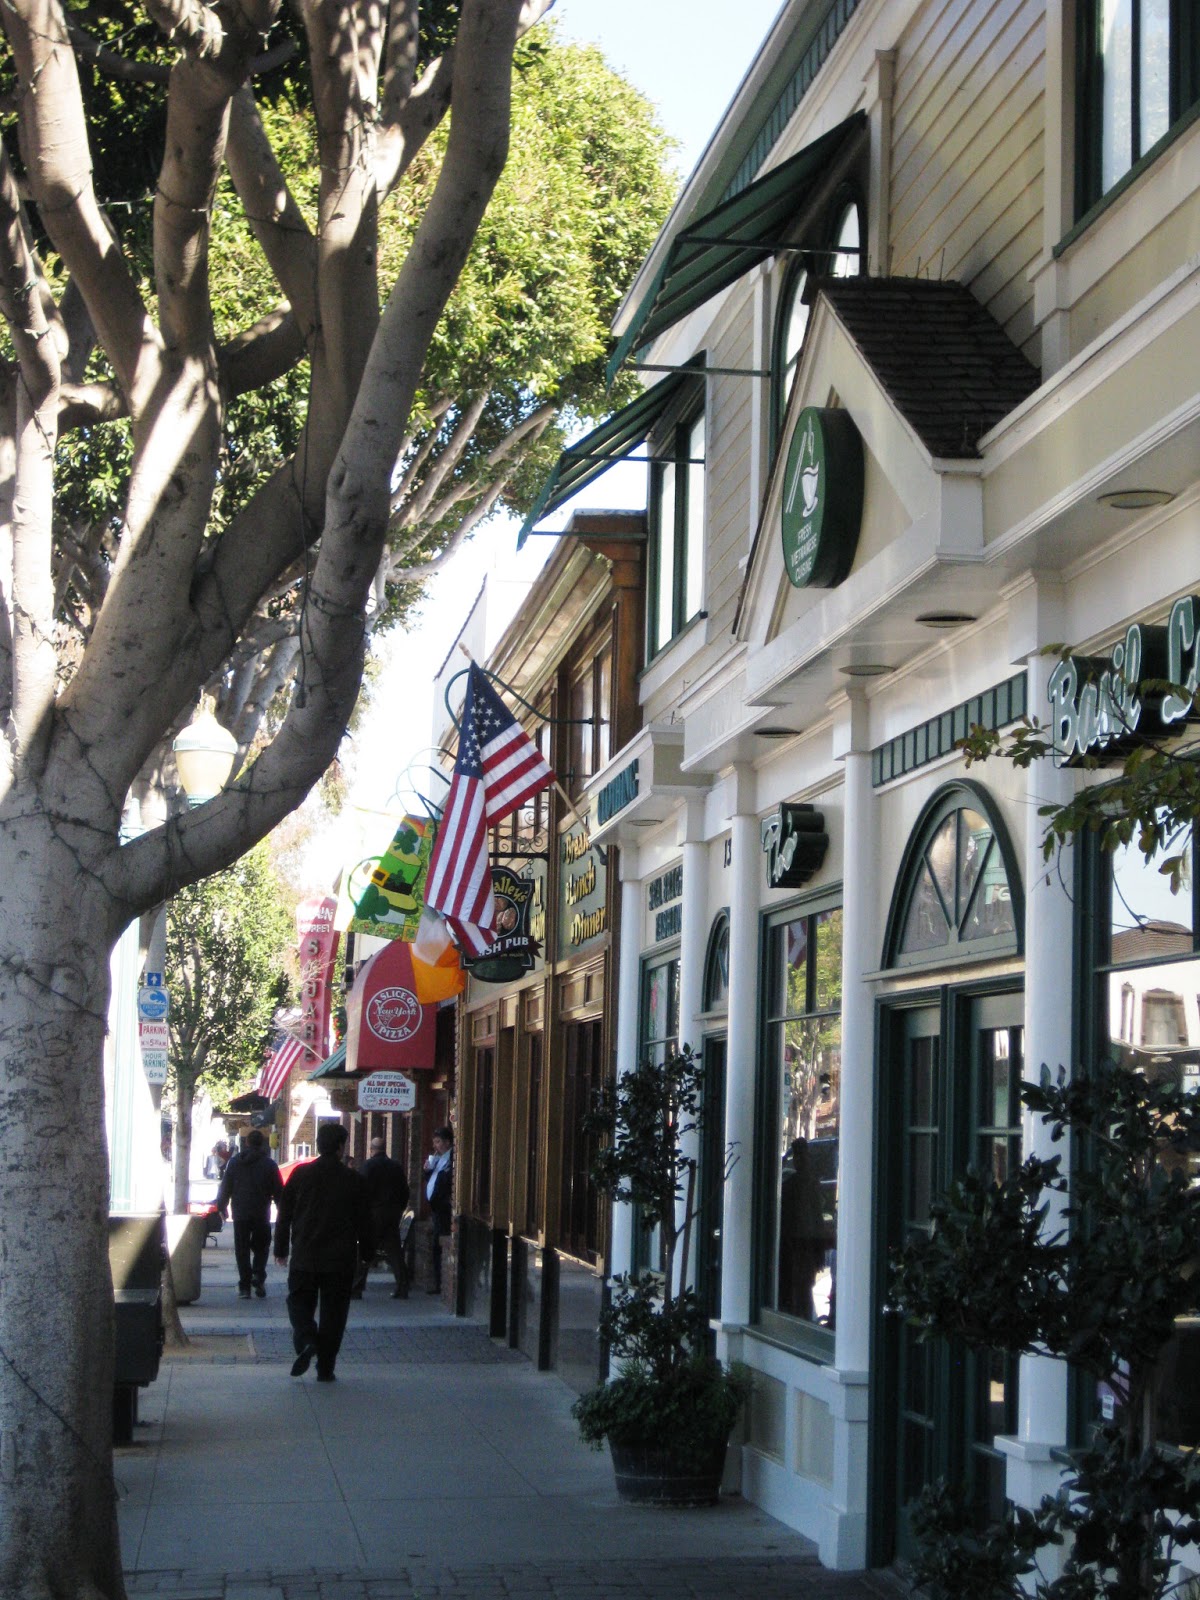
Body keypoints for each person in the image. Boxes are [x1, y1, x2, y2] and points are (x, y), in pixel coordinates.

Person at [274, 1122, 371, 1382]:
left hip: (305, 1253)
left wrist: (281, 1248)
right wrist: (367, 1253)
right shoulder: (354, 1180)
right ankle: (326, 1368)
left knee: (298, 1302)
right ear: (341, 1147)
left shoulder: (300, 1175)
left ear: (318, 1145)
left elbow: (284, 1214)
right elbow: (365, 1221)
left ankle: (307, 1338)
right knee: (334, 1314)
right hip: (340, 1259)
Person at [216, 1127, 284, 1299]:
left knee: (242, 1249)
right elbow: (278, 1191)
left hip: (240, 1212)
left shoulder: (235, 1163)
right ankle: (258, 1276)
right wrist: (282, 1209)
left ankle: (245, 1285)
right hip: (261, 1212)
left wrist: (222, 1206)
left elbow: (226, 1186)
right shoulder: (269, 1164)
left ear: (246, 1142)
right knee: (262, 1247)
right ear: (262, 1143)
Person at [353, 1136, 411, 1299]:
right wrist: (399, 1208)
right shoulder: (396, 1166)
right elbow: (405, 1191)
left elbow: (361, 1190)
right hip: (392, 1213)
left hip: (373, 1214)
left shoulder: (368, 1166)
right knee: (394, 1251)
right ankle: (402, 1286)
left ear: (372, 1150)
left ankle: (356, 1287)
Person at [423, 1125, 453, 1295]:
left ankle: (441, 1283)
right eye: (434, 1142)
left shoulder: (451, 1160)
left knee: (439, 1244)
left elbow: (446, 1183)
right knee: (436, 1245)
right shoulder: (439, 1159)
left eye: (438, 1142)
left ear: (447, 1142)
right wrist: (427, 1171)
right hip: (436, 1210)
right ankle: (438, 1282)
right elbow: (432, 1180)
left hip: (444, 1210)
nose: (435, 1146)